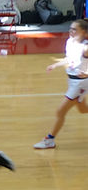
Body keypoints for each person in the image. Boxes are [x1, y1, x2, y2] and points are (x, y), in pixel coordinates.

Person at [33, 19, 88, 149]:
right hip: (72, 81)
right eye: (70, 28)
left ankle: (49, 140)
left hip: (80, 83)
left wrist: (87, 73)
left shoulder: (85, 47)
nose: (71, 31)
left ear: (84, 32)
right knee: (82, 109)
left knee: (60, 112)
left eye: (74, 29)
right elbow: (69, 59)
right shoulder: (70, 42)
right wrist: (56, 65)